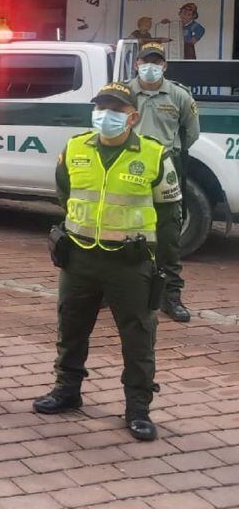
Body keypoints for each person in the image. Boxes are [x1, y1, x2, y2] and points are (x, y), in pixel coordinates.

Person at [33, 82, 182, 442]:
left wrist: (165, 267)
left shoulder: (153, 154)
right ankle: (67, 390)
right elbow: (65, 194)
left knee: (138, 337)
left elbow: (169, 217)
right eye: (101, 108)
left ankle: (138, 408)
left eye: (116, 110)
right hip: (80, 258)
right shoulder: (74, 149)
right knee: (71, 328)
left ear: (132, 116)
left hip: (130, 265)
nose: (106, 116)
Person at [126, 42, 199, 323]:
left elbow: (191, 133)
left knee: (168, 234)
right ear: (136, 64)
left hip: (166, 166)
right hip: (129, 166)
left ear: (165, 66)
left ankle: (171, 296)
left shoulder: (179, 95)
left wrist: (167, 153)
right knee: (123, 226)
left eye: (157, 62)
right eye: (145, 61)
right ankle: (113, 290)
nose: (150, 67)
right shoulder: (124, 93)